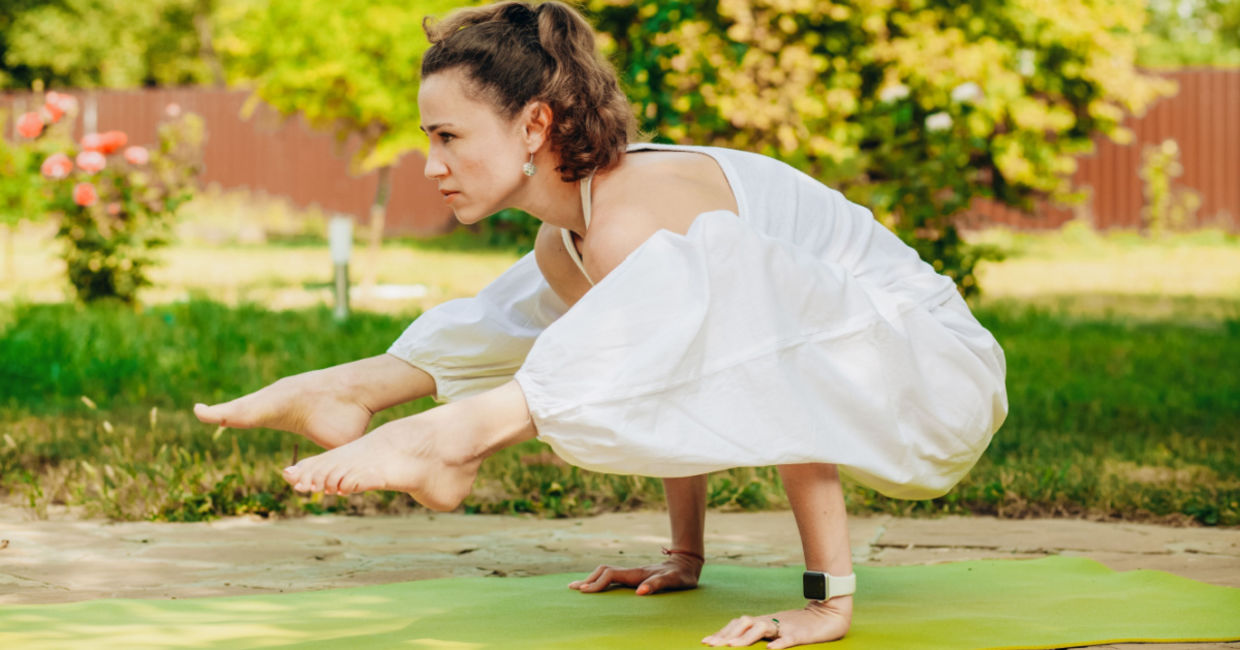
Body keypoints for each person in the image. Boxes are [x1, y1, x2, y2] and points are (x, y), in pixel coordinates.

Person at [193, 1, 1008, 647]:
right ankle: (364, 389)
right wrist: (685, 557)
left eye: (448, 137)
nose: (432, 164)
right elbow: (672, 376)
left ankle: (456, 437)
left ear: (535, 126)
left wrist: (827, 604)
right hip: (842, 357)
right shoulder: (570, 238)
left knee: (710, 283)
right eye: (427, 138)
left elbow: (787, 357)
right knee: (546, 295)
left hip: (933, 376)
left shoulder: (634, 218)